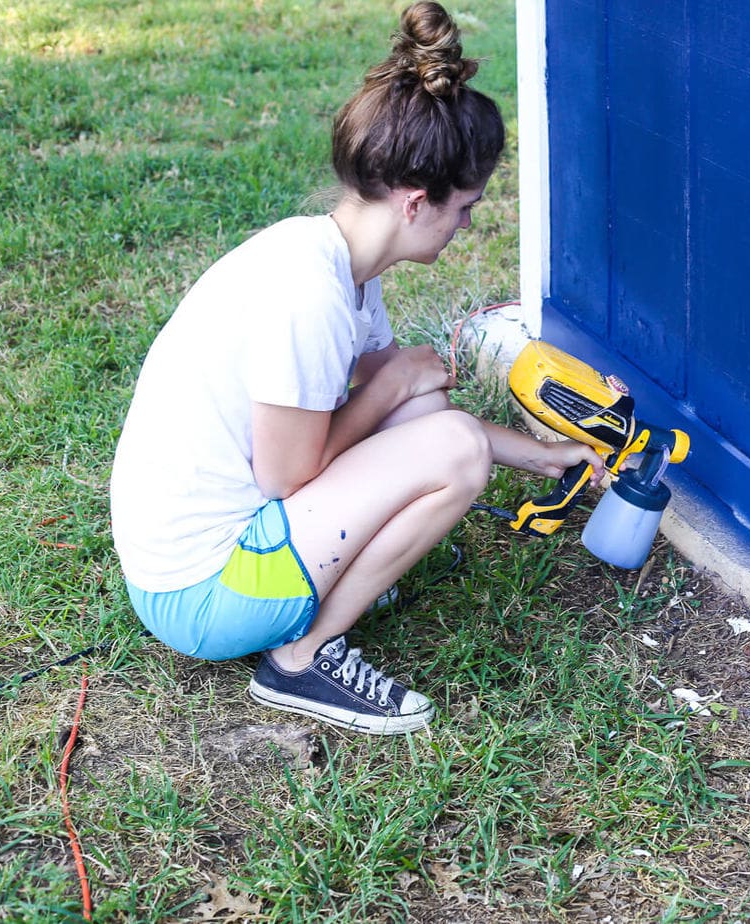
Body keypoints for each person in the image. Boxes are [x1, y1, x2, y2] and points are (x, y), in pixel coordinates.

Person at [109, 1, 602, 735]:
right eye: (463, 209)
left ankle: (329, 591)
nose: (466, 226)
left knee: (428, 414)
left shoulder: (337, 261)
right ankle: (302, 659)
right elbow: (288, 478)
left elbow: (411, 419)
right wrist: (395, 382)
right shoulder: (308, 295)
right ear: (414, 201)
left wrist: (550, 457)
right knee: (449, 444)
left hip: (229, 552)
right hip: (203, 595)